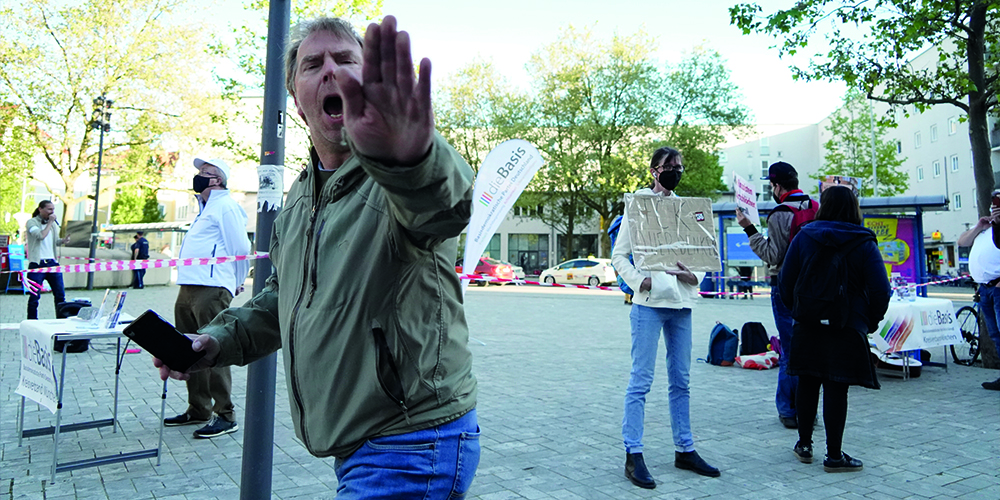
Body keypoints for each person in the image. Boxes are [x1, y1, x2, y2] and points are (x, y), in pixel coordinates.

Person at [155, 16, 479, 498]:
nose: (331, 71)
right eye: (313, 64)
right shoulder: (302, 197)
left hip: (412, 443)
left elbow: (442, 206)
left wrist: (413, 158)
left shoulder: (395, 177)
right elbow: (281, 298)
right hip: (356, 445)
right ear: (298, 103)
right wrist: (215, 341)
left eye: (346, 60)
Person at [612, 146, 720, 489]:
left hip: (682, 304)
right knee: (641, 380)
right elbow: (619, 255)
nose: (675, 171)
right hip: (648, 303)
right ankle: (634, 452)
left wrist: (694, 278)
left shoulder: (686, 209)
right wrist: (639, 281)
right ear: (653, 170)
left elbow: (699, 257)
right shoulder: (638, 206)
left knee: (682, 380)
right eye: (668, 166)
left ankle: (684, 448)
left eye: (679, 166)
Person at [778, 186, 890, 472]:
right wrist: (869, 320)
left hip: (808, 322)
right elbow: (881, 290)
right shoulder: (864, 241)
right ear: (854, 208)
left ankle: (804, 445)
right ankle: (834, 455)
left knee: (807, 381)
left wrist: (801, 311)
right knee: (836, 388)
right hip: (847, 323)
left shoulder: (804, 236)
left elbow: (785, 283)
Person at [162, 157, 252, 439]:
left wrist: (235, 282)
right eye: (199, 172)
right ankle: (198, 407)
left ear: (220, 180)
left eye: (207, 172)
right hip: (189, 285)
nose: (199, 176)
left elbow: (241, 248)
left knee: (213, 348)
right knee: (188, 350)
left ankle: (225, 414)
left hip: (211, 287)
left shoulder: (225, 206)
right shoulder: (204, 209)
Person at [736, 161, 818, 429]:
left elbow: (773, 255)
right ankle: (809, 408)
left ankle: (788, 409)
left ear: (777, 186)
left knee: (790, 349)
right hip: (815, 288)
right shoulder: (816, 207)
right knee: (809, 348)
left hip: (785, 287)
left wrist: (749, 228)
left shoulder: (779, 214)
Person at [956, 190, 1000, 391]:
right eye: (993, 206)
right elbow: (962, 242)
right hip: (986, 289)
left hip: (997, 287)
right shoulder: (985, 230)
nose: (994, 209)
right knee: (995, 333)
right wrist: (979, 227)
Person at [24, 200, 70, 319]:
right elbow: (40, 236)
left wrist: (63, 241)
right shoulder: (32, 222)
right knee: (34, 296)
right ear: (40, 209)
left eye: (53, 210)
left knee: (60, 295)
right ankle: (32, 320)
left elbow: (54, 241)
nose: (52, 213)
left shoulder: (53, 225)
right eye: (49, 209)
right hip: (37, 263)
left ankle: (61, 320)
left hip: (52, 263)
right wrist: (50, 223)